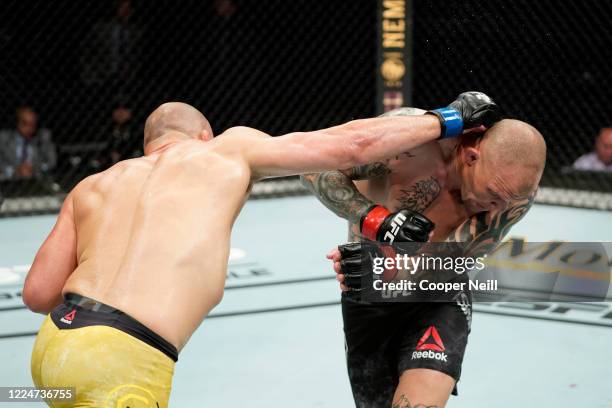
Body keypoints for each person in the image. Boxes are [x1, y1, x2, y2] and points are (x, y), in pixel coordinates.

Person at [23, 95, 497, 407]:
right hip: (121, 358)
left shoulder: (93, 185)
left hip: (54, 351)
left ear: (149, 145)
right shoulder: (224, 151)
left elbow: (39, 293)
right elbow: (351, 146)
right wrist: (448, 118)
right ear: (205, 135)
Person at [301, 102, 546, 408]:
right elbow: (313, 166)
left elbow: (452, 261)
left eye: (507, 201)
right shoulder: (411, 143)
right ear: (472, 157)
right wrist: (376, 220)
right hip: (367, 304)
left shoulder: (513, 195)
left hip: (438, 298)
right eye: (494, 196)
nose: (497, 209)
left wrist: (385, 270)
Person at [0, 106, 56, 181]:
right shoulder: (4, 138)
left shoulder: (43, 137)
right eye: (25, 123)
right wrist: (14, 170)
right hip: (8, 180)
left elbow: (52, 162)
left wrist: (35, 168)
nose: (30, 128)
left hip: (36, 179)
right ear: (17, 123)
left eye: (33, 124)